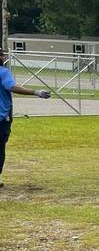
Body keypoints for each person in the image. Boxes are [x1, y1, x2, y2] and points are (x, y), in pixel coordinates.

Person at [0, 51, 52, 187]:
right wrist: (35, 92)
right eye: (1, 55)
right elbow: (11, 87)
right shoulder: (3, 72)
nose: (3, 57)